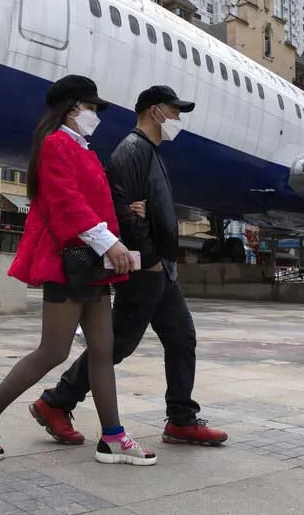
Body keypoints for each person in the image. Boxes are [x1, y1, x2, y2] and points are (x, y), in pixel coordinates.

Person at [0, 75, 157, 467]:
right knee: (54, 349)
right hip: (69, 261)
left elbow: (91, 203)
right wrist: (110, 243)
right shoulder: (55, 145)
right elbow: (67, 204)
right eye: (92, 108)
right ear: (72, 108)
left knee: (103, 349)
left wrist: (122, 220)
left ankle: (112, 437)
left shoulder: (82, 148)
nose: (96, 115)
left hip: (90, 263)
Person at [30, 85, 229, 447]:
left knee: (181, 338)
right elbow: (119, 210)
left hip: (161, 268)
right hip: (145, 267)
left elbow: (144, 208)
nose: (178, 119)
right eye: (175, 111)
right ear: (155, 112)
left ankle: (181, 419)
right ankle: (55, 401)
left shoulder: (151, 152)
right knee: (116, 345)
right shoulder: (132, 150)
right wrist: (147, 258)